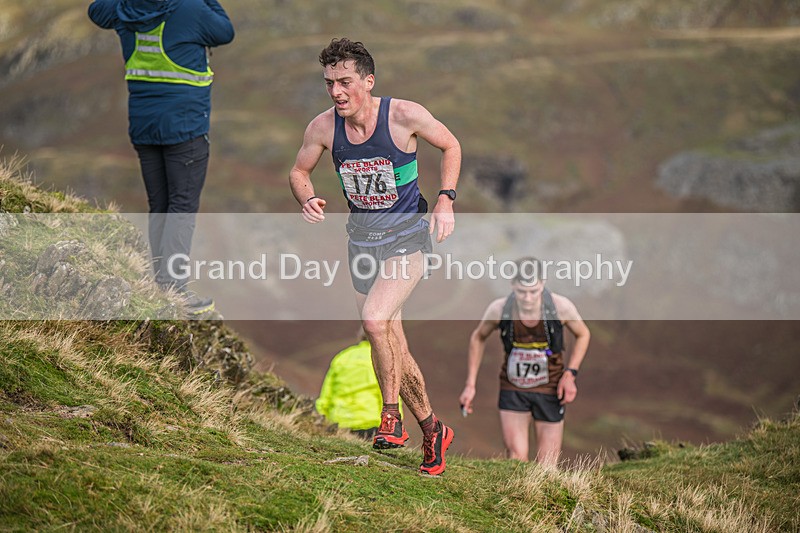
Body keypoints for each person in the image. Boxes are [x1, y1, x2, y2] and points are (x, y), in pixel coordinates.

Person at [289, 38, 461, 476]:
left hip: (407, 236)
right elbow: (299, 170)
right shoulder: (323, 127)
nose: (336, 92)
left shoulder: (403, 115)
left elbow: (451, 145)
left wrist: (445, 199)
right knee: (391, 343)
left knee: (373, 321)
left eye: (345, 82)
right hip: (362, 242)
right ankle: (433, 430)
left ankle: (391, 418)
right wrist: (306, 198)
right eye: (329, 83)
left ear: (368, 80)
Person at [88, 0, 234, 316]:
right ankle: (174, 290)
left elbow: (95, 10)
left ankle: (162, 284)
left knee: (160, 205)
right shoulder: (190, 9)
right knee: (182, 207)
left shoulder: (122, 10)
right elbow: (225, 31)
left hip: (143, 126)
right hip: (185, 128)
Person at [459, 257, 591, 467]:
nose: (528, 298)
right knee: (516, 459)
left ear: (543, 283)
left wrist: (570, 373)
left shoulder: (560, 307)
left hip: (551, 387)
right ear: (512, 286)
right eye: (521, 292)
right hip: (513, 387)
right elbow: (477, 337)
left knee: (547, 465)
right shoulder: (500, 309)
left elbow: (583, 334)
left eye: (533, 291)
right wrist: (470, 384)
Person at [316, 333, 402, 439]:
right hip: (370, 422)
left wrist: (321, 418)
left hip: (340, 423)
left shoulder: (343, 357)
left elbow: (326, 394)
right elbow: (390, 395)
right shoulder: (383, 359)